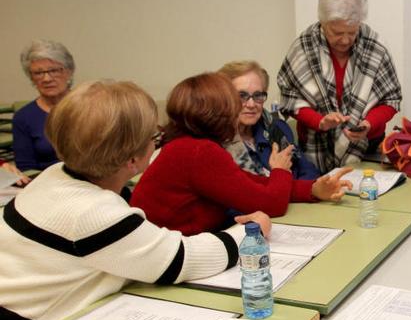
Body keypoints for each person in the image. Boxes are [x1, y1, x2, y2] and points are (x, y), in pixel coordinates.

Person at [0, 80, 270, 320]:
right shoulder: (94, 214)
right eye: (153, 138)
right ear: (133, 160)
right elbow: (182, 258)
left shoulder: (53, 175)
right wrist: (248, 233)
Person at [131, 72, 350, 236]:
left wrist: (313, 189)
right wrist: (281, 171)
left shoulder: (188, 145)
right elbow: (272, 204)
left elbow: (251, 184)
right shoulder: (198, 151)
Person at [277, 0, 403, 173]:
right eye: (336, 33)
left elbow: (391, 99)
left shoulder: (375, 46)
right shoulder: (303, 47)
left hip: (367, 150)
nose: (345, 40)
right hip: (314, 153)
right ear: (323, 23)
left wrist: (369, 124)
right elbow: (290, 99)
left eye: (352, 32)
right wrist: (319, 121)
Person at [218, 60, 321, 180]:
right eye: (242, 95)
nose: (251, 104)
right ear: (225, 97)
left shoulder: (276, 128)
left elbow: (308, 170)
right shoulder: (217, 143)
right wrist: (280, 175)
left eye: (257, 95)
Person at [13, 39, 75, 171]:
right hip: (46, 184)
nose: (46, 78)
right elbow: (26, 168)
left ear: (69, 71)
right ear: (31, 77)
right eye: (38, 73)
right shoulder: (23, 117)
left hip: (92, 184)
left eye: (54, 70)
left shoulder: (90, 107)